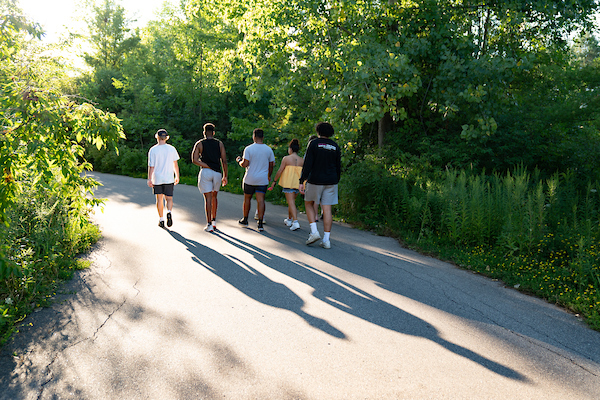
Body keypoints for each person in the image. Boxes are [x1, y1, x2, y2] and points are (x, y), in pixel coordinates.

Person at [299, 122, 341, 249]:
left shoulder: (314, 143)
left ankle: (314, 232)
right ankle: (326, 240)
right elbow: (338, 165)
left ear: (318, 131)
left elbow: (308, 163)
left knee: (309, 203)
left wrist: (302, 180)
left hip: (315, 179)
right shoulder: (335, 146)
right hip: (331, 181)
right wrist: (336, 179)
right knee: (327, 209)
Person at [236, 128, 275, 232]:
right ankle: (260, 223)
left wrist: (239, 161)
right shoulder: (268, 150)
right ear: (263, 137)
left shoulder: (248, 149)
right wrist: (269, 175)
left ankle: (245, 219)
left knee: (247, 199)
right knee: (261, 200)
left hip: (250, 178)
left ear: (253, 137)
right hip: (262, 179)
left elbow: (245, 164)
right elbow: (271, 165)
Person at [191, 123, 228, 232]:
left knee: (207, 199)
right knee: (214, 197)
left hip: (206, 172)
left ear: (204, 133)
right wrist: (225, 176)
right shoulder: (219, 144)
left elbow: (194, 159)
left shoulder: (200, 144)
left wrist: (206, 165)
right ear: (213, 132)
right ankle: (214, 221)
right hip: (217, 173)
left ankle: (209, 224)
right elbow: (224, 160)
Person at [147, 129, 180, 228]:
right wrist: (177, 176)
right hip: (169, 177)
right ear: (166, 137)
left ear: (157, 137)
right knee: (169, 198)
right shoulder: (171, 149)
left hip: (157, 178)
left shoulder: (153, 150)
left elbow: (151, 166)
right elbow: (175, 164)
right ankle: (169, 211)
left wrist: (149, 178)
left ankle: (161, 219)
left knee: (159, 199)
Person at [268, 138, 303, 231]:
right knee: (292, 203)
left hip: (288, 183)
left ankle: (295, 222)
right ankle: (289, 219)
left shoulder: (286, 159)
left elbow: (280, 170)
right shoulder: (302, 160)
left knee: (291, 202)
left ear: (290, 149)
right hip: (298, 184)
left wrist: (274, 181)